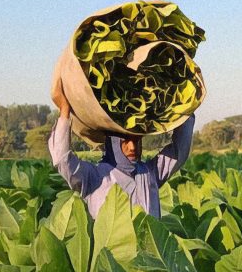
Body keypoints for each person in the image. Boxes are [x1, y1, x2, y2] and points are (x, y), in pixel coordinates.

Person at [48, 78, 195, 219]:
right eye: (125, 141)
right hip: (110, 246)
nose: (133, 147)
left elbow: (178, 152)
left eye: (137, 141)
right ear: (112, 143)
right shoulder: (95, 177)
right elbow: (62, 159)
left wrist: (184, 109)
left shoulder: (149, 173)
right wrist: (65, 111)